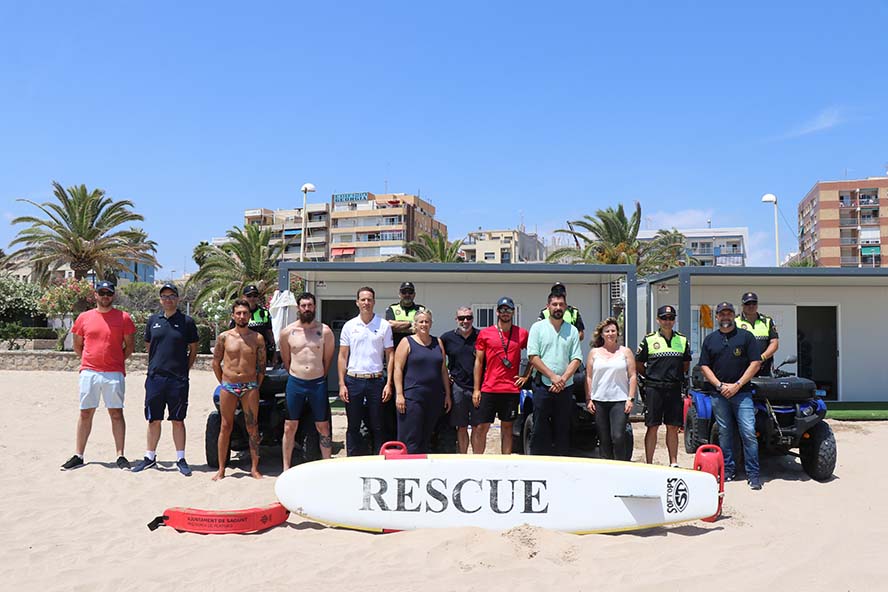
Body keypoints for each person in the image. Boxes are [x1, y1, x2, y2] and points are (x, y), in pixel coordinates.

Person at [61, 281, 137, 471]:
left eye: (108, 293)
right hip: (89, 372)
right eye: (101, 293)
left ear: (113, 295)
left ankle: (120, 455)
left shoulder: (124, 318)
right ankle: (78, 455)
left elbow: (130, 346)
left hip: (114, 373)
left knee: (116, 413)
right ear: (95, 295)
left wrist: (116, 360)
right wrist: (90, 361)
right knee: (85, 412)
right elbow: (78, 345)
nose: (105, 296)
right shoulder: (84, 318)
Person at [132, 284, 199, 476]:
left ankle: (180, 458)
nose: (168, 299)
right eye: (164, 296)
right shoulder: (153, 320)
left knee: (178, 419)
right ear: (160, 300)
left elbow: (193, 348)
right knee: (154, 419)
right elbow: (148, 345)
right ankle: (150, 457)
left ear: (178, 299)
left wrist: (184, 369)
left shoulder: (186, 321)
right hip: (155, 378)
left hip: (178, 379)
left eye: (171, 296)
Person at [699, 302, 763, 490]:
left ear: (734, 316)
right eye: (722, 314)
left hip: (742, 393)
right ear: (717, 317)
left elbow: (755, 363)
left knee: (748, 432)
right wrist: (719, 386)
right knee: (725, 433)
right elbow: (704, 366)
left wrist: (737, 385)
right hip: (719, 395)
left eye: (729, 313)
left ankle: (753, 474)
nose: (725, 317)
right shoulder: (710, 340)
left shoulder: (746, 337)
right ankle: (728, 470)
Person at [212, 298, 266, 480]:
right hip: (228, 386)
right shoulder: (224, 337)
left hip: (250, 386)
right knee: (225, 426)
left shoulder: (257, 338)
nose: (242, 316)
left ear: (250, 315)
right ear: (233, 315)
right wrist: (223, 382)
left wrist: (256, 384)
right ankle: (221, 469)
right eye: (238, 313)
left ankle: (254, 468)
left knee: (252, 426)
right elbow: (215, 362)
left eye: (245, 313)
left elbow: (262, 365)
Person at [279, 292, 335, 469]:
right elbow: (286, 361)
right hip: (296, 383)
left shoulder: (324, 331)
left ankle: (327, 465)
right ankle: (286, 468)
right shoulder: (288, 332)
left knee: (323, 426)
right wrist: (298, 374)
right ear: (298, 308)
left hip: (317, 383)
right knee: (289, 426)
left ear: (315, 307)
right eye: (303, 305)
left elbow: (327, 361)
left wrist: (316, 375)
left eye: (310, 305)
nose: (307, 308)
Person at [338, 286, 394, 456]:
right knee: (353, 425)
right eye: (363, 299)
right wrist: (341, 384)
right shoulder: (349, 326)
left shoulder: (384, 325)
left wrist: (388, 383)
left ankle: (378, 459)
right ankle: (352, 460)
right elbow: (342, 356)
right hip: (353, 381)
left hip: (376, 381)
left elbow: (390, 356)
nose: (366, 303)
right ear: (357, 302)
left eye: (369, 299)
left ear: (374, 302)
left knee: (377, 424)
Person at [472, 296, 531, 454]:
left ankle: (506, 463)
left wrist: (525, 376)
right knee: (481, 427)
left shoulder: (522, 333)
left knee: (507, 427)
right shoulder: (485, 333)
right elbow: (478, 361)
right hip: (489, 388)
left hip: (510, 389)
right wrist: (476, 389)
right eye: (502, 310)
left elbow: (534, 355)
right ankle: (478, 461)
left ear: (513, 312)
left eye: (509, 310)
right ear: (497, 312)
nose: (505, 313)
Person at [527, 291, 583, 456]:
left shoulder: (572, 330)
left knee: (563, 427)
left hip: (565, 387)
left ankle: (561, 463)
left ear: (565, 307)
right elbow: (533, 356)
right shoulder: (537, 328)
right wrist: (552, 377)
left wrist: (563, 379)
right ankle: (539, 463)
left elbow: (577, 358)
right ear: (548, 307)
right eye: (554, 304)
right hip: (543, 386)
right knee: (539, 427)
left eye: (561, 305)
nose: (558, 308)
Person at [636, 305, 691, 467]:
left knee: (672, 426)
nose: (668, 321)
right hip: (654, 388)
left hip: (673, 388)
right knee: (652, 426)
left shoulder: (682, 340)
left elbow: (685, 364)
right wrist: (652, 376)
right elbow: (638, 363)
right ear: (658, 320)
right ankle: (649, 463)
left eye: (671, 318)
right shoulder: (649, 339)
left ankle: (673, 462)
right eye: (664, 318)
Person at [393, 309, 452, 453]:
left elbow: (443, 369)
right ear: (415, 324)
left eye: (427, 321)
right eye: (421, 322)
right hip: (413, 397)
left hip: (434, 397)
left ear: (431, 323)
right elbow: (398, 369)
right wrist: (399, 394)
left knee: (427, 436)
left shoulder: (438, 342)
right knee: (411, 436)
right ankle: (407, 468)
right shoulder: (406, 342)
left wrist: (447, 395)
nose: (424, 324)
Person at [585, 317, 637, 461]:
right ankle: (606, 466)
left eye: (613, 331)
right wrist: (589, 398)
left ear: (618, 333)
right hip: (599, 400)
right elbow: (588, 377)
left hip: (619, 400)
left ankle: (621, 464)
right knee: (604, 438)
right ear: (601, 334)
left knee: (618, 436)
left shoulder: (625, 352)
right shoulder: (594, 353)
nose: (610, 333)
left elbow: (632, 376)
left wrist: (630, 398)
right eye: (607, 331)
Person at [440, 306, 479, 453]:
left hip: (477, 388)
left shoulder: (481, 336)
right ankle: (463, 458)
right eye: (462, 318)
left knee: (477, 426)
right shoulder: (446, 338)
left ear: (472, 319)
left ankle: (477, 459)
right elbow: (439, 360)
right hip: (457, 387)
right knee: (461, 426)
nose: (465, 321)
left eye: (468, 317)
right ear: (456, 319)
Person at [736, 292, 779, 377]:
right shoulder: (735, 321)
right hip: (741, 370)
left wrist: (761, 358)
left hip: (764, 369)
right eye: (748, 303)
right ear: (742, 305)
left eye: (754, 303)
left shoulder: (767, 321)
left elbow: (774, 343)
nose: (751, 306)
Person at [232, 285, 277, 366]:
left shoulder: (264, 313)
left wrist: (274, 353)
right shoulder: (238, 314)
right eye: (249, 296)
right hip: (243, 353)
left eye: (255, 296)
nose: (252, 298)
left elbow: (269, 333)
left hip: (261, 353)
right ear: (243, 297)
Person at [385, 281, 426, 349]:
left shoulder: (421, 309)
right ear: (399, 294)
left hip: (416, 349)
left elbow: (422, 328)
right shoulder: (392, 308)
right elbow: (390, 326)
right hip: (396, 348)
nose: (407, 295)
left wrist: (399, 327)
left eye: (410, 292)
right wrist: (411, 324)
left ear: (414, 294)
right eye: (404, 292)